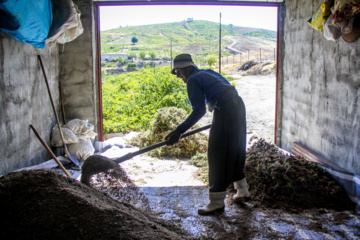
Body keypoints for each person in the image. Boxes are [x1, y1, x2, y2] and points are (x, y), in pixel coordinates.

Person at [165, 53, 250, 215]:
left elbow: (199, 110)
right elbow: (215, 95)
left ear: (188, 68)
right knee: (236, 149)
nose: (179, 77)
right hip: (237, 105)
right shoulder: (207, 72)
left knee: (217, 152)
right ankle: (242, 191)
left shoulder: (193, 79)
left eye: (179, 72)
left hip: (225, 108)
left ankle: (216, 202)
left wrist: (178, 131)